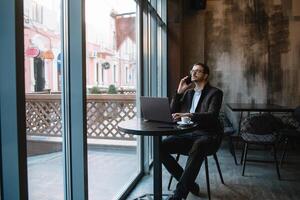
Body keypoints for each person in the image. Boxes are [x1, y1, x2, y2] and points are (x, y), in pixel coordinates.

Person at [162, 62, 223, 200]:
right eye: (192, 70)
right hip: (189, 135)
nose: (193, 73)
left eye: (198, 71)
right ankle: (190, 185)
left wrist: (188, 115)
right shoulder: (189, 93)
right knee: (160, 147)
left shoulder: (215, 93)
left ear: (206, 76)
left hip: (209, 136)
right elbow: (172, 112)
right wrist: (179, 92)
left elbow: (212, 116)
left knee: (199, 145)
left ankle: (178, 196)